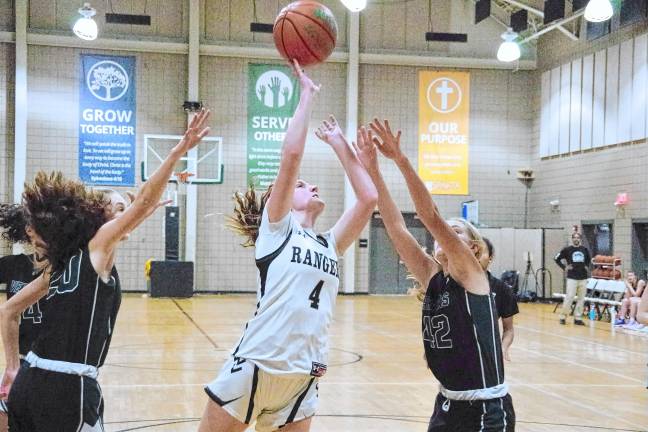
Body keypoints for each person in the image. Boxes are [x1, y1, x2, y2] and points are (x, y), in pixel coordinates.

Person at [0, 108, 210, 431]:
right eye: (115, 208)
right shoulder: (95, 249)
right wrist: (179, 150)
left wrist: (13, 366)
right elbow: (142, 204)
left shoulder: (62, 264)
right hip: (67, 391)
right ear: (100, 219)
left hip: (31, 382)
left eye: (123, 209)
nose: (123, 214)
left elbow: (8, 311)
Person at [199, 61, 377, 432]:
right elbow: (291, 158)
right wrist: (306, 97)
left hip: (306, 373)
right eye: (302, 185)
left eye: (309, 184)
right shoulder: (277, 230)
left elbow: (368, 199)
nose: (310, 186)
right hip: (257, 363)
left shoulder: (330, 243)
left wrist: (340, 144)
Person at [356, 118, 514, 431]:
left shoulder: (471, 275)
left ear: (470, 245)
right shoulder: (432, 275)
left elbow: (429, 215)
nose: (447, 235)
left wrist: (400, 160)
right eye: (447, 231)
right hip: (447, 404)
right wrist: (372, 169)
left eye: (456, 231)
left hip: (486, 408)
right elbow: (395, 225)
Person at [0, 210, 49, 432]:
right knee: (4, 418)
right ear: (29, 230)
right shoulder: (14, 265)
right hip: (19, 361)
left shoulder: (69, 268)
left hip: (52, 363)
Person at [480, 238, 519, 362]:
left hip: (487, 354)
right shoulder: (454, 285)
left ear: (490, 257)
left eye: (481, 252)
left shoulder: (502, 290)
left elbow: (508, 329)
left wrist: (503, 348)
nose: (476, 256)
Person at [554, 231, 591, 325]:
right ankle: (563, 316)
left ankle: (578, 318)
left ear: (580, 239)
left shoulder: (584, 249)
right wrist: (564, 267)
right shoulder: (567, 249)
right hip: (572, 277)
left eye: (578, 237)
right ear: (572, 239)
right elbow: (556, 258)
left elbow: (588, 260)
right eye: (574, 237)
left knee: (581, 298)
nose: (576, 239)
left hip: (583, 277)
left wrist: (586, 266)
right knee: (569, 297)